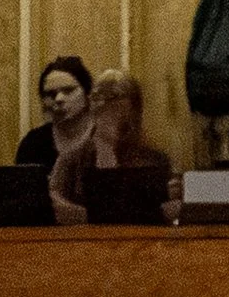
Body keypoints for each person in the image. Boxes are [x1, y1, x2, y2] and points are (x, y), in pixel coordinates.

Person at [49, 70, 172, 225]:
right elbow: (53, 203)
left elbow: (169, 209)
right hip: (85, 244)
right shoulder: (72, 159)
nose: (109, 109)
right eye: (101, 100)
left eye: (114, 100)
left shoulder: (154, 159)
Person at [13, 56, 96, 171]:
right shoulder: (33, 143)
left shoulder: (108, 138)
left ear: (87, 93)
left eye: (68, 90)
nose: (59, 99)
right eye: (51, 94)